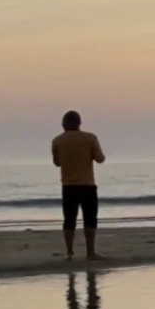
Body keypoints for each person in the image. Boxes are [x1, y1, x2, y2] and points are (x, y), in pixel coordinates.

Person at [51, 110, 106, 261]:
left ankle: (70, 252)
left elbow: (57, 162)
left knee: (69, 219)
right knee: (90, 218)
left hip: (68, 186)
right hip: (87, 184)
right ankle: (90, 252)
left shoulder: (57, 141)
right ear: (79, 123)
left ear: (64, 124)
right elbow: (100, 159)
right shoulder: (90, 138)